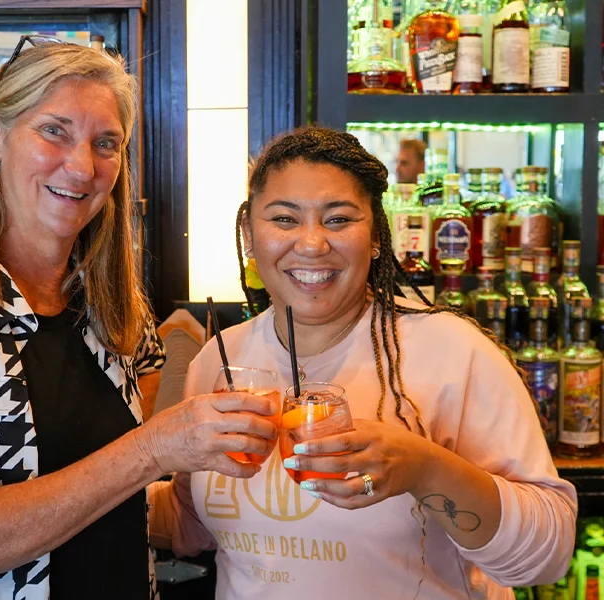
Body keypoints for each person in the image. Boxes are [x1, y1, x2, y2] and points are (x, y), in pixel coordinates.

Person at [0, 38, 277, 600]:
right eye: (54, 131)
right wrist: (154, 449)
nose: (82, 166)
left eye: (106, 143)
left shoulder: (101, 292)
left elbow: (149, 401)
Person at [149, 126, 577, 599]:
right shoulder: (220, 361)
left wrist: (424, 468)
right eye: (285, 219)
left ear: (375, 235)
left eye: (337, 219)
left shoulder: (452, 351)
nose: (312, 244)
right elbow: (193, 526)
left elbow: (549, 553)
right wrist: (102, 473)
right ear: (249, 234)